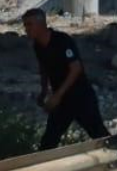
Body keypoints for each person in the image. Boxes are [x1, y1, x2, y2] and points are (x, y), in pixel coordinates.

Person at [21, 8, 109, 150]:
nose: (26, 29)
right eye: (25, 25)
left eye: (29, 25)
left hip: (81, 97)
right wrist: (44, 91)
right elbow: (44, 68)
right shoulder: (38, 45)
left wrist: (57, 96)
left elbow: (76, 69)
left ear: (41, 24)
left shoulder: (62, 41)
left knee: (99, 135)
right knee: (49, 141)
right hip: (62, 101)